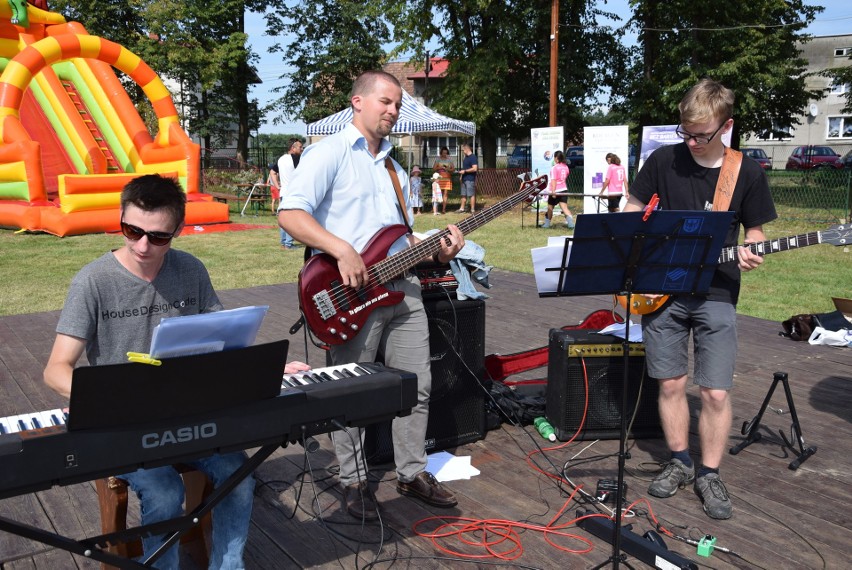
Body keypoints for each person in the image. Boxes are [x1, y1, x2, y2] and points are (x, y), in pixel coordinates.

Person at [43, 174, 309, 568]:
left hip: (189, 413)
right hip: (125, 423)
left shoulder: (190, 271)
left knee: (239, 476)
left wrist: (267, 368)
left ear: (179, 231)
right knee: (165, 492)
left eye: (158, 237)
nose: (142, 245)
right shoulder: (93, 282)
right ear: (121, 219)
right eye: (131, 231)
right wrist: (96, 400)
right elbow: (55, 369)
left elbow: (226, 340)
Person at [278, 70, 464, 521]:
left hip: (405, 288)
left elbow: (401, 236)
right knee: (350, 392)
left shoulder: (396, 168)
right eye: (385, 101)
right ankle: (353, 480)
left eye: (398, 104)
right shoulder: (330, 153)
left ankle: (411, 471)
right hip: (349, 293)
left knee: (416, 385)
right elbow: (289, 213)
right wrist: (340, 248)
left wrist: (439, 253)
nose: (393, 111)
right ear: (357, 102)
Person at [623, 79, 777, 520]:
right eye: (684, 132)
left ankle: (709, 472)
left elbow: (756, 230)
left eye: (701, 135)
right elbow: (631, 214)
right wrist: (638, 269)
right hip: (661, 291)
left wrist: (753, 249)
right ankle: (678, 461)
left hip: (717, 291)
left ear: (726, 127)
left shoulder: (745, 172)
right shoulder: (662, 160)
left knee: (713, 391)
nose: (690, 142)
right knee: (670, 383)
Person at [277, 138, 304, 250]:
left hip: (283, 191)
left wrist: (276, 185)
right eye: (300, 147)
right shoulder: (296, 159)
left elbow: (273, 171)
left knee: (283, 218)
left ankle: (283, 243)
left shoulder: (281, 159)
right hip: (292, 192)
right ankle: (289, 244)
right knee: (291, 219)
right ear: (293, 148)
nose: (302, 149)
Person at [544, 150, 574, 229]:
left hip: (555, 190)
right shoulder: (566, 167)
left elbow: (554, 180)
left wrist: (553, 191)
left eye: (554, 157)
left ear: (556, 158)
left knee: (550, 207)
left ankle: (547, 224)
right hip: (564, 189)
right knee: (564, 207)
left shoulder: (554, 168)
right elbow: (565, 176)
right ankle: (571, 224)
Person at [432, 145, 455, 214]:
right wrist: (440, 167)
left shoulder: (449, 159)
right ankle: (436, 209)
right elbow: (434, 169)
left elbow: (453, 169)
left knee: (445, 193)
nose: (445, 154)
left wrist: (447, 169)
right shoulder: (438, 159)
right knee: (438, 193)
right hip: (439, 178)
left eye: (446, 153)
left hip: (447, 178)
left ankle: (443, 209)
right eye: (443, 153)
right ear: (441, 153)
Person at [457, 143, 478, 213]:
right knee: (463, 194)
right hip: (464, 179)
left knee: (471, 194)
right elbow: (464, 168)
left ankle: (472, 209)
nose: (463, 151)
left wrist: (465, 171)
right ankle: (462, 208)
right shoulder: (465, 157)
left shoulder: (473, 157)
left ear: (467, 149)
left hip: (470, 179)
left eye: (463, 150)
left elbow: (475, 168)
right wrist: (461, 176)